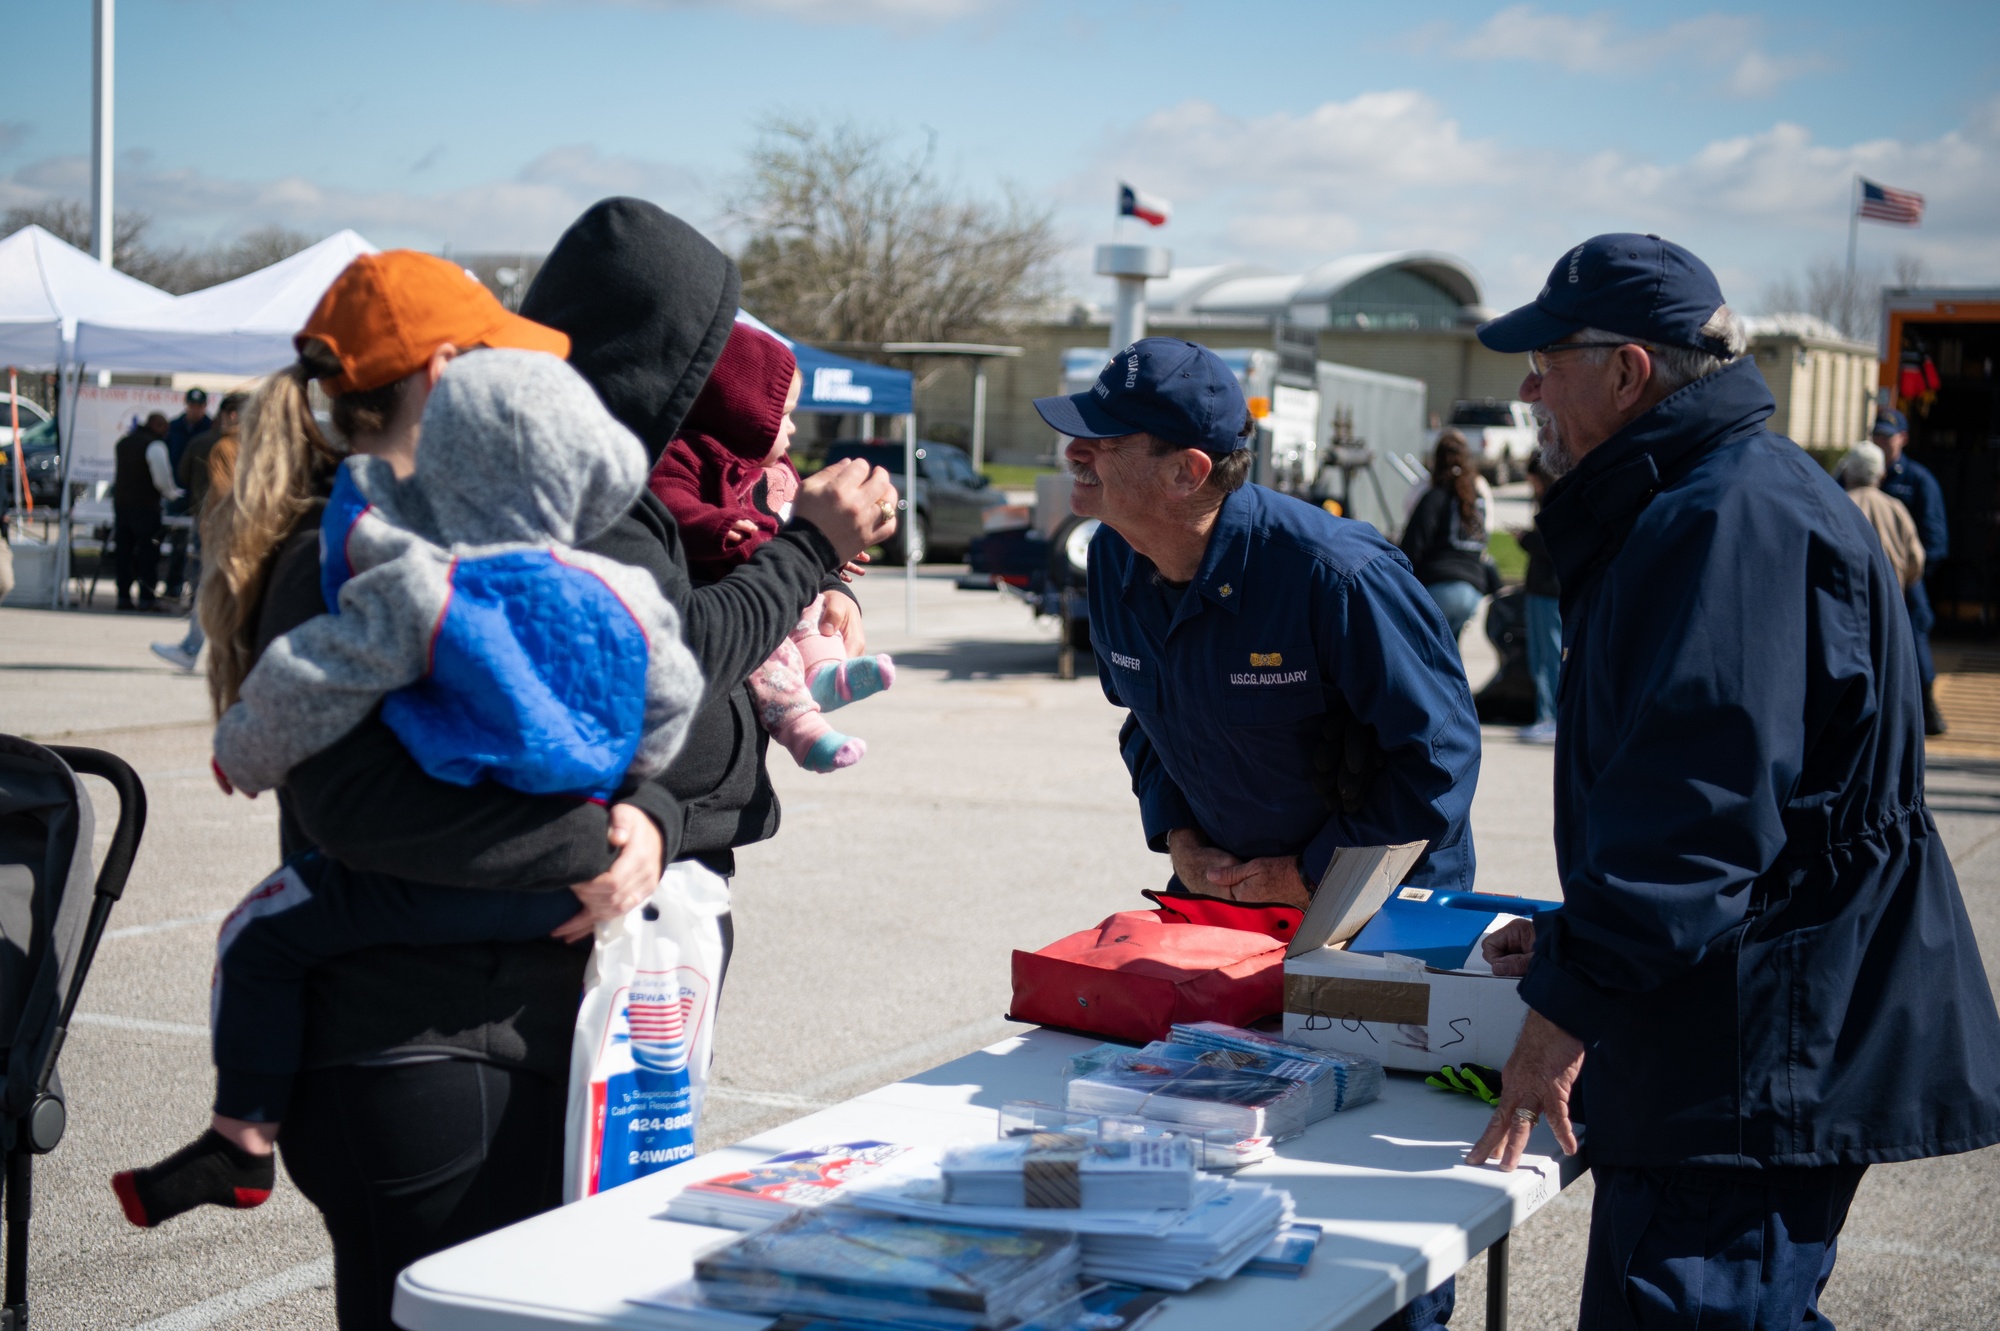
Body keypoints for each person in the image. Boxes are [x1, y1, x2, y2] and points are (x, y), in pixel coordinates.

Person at [190, 233, 895, 1329]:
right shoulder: (351, 556)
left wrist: (654, 820)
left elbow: (667, 720)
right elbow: (353, 806)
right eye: (505, 359)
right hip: (413, 1046)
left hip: (526, 1034)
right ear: (443, 378)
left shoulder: (510, 542)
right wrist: (592, 858)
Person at [1467, 233, 2000, 1330]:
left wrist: (1563, 1008)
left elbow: (1695, 821)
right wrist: (1582, 938)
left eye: (1546, 360)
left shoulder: (1720, 520)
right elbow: (1733, 799)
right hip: (1739, 1020)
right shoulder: (1707, 498)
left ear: (1627, 370)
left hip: (1751, 1049)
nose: (1526, 390)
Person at [114, 349, 704, 1229]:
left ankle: (242, 1133)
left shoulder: (423, 585)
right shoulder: (623, 588)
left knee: (259, 935)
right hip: (562, 903)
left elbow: (312, 680)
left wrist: (242, 752)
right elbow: (678, 697)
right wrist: (637, 798)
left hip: (415, 897)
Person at [1036, 337, 1482, 1331]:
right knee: (1234, 1173)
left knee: (1365, 1208)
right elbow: (1141, 720)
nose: (1075, 455)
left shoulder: (1332, 571)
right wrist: (1178, 834)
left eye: (1100, 442)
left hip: (1383, 929)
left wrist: (1305, 872)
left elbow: (1437, 764)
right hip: (1229, 921)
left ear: (1187, 470)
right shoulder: (1115, 559)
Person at [650, 320, 895, 772]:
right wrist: (716, 524)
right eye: (782, 416)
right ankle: (805, 730)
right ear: (741, 414)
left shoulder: (778, 471)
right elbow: (670, 503)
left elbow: (795, 531)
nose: (793, 429)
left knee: (816, 617)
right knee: (770, 658)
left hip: (783, 591)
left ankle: (825, 674)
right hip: (735, 602)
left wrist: (833, 563)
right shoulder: (683, 454)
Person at [153, 391, 246, 670]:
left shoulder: (223, 447)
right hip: (255, 530)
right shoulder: (262, 446)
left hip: (224, 531)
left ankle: (192, 649)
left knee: (208, 592)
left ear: (229, 415)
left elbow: (222, 491)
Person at [1875, 407, 1949, 735]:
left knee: (1915, 638)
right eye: (1876, 435)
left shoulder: (1918, 480)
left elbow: (1935, 540)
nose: (1880, 442)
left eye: (1886, 437)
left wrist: (1913, 575)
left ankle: (1927, 708)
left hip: (1905, 579)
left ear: (1903, 439)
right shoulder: (1859, 473)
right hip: (1869, 579)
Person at [1398, 430, 1490, 643]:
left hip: (1440, 588)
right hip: (1473, 590)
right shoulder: (1476, 499)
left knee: (1426, 655)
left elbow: (1413, 545)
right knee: (1451, 652)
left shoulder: (1434, 496)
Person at [1515, 450, 1560, 744]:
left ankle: (1552, 716)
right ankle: (1545, 715)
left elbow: (1550, 543)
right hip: (1540, 588)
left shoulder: (1554, 500)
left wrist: (1525, 539)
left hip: (1548, 588)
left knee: (1549, 655)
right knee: (1540, 656)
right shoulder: (1549, 499)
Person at [112, 410, 177, 611]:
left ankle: (123, 596)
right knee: (148, 554)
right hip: (146, 508)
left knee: (123, 553)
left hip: (122, 506)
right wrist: (172, 494)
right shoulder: (154, 445)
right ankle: (146, 598)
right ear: (158, 426)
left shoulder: (123, 443)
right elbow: (161, 480)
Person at [1839, 441, 1926, 591]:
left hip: (1845, 602)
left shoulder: (1836, 505)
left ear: (1847, 471)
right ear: (1882, 474)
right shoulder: (1896, 508)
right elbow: (1916, 562)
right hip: (1889, 603)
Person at [160, 386, 210, 601]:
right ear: (186, 404)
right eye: (192, 405)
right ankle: (173, 587)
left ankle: (197, 591)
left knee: (201, 547)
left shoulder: (210, 429)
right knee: (178, 544)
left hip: (203, 496)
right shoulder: (173, 428)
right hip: (178, 495)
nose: (195, 410)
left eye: (199, 406)